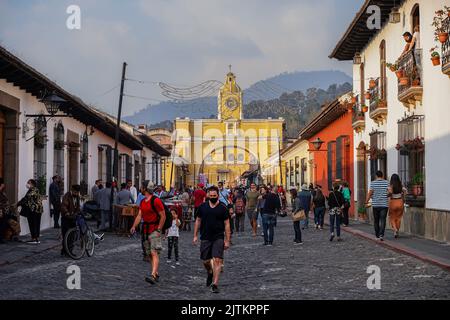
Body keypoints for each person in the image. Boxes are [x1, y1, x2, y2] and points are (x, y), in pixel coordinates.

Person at [193, 186, 231, 294]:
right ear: (208, 195)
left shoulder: (223, 208)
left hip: (218, 237)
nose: (213, 197)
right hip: (205, 237)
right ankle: (210, 271)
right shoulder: (202, 207)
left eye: (215, 196)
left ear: (218, 195)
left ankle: (215, 284)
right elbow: (198, 220)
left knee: (217, 260)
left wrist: (227, 240)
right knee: (205, 260)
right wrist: (195, 235)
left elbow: (227, 224)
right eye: (211, 196)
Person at [130, 186, 167, 285]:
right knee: (149, 254)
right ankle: (156, 273)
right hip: (145, 230)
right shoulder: (143, 202)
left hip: (154, 229)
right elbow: (139, 215)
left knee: (154, 252)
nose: (140, 189)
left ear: (145, 189)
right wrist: (134, 226)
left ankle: (153, 275)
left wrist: (159, 229)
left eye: (141, 187)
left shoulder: (156, 201)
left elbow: (163, 215)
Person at [17, 179, 43, 244]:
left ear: (32, 184)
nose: (27, 184)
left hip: (34, 210)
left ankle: (34, 238)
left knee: (33, 224)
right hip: (37, 210)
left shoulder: (33, 190)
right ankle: (35, 238)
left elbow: (26, 198)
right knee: (36, 224)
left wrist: (17, 204)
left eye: (28, 183)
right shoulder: (34, 190)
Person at [366, 171, 390, 241]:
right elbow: (390, 191)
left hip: (376, 205)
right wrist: (387, 195)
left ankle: (377, 235)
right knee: (383, 220)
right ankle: (381, 235)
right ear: (382, 176)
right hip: (384, 205)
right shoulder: (386, 182)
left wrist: (366, 202)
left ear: (376, 176)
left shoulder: (373, 183)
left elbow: (370, 193)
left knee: (376, 220)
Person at [60, 185, 81, 256]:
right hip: (66, 218)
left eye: (78, 192)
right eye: (75, 192)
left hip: (73, 218)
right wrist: (66, 212)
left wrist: (78, 212)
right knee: (66, 235)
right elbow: (63, 205)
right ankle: (66, 251)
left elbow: (78, 206)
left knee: (72, 236)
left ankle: (67, 251)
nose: (77, 193)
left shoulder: (77, 196)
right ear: (72, 190)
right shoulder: (67, 195)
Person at [388, 174, 407, 239]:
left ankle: (395, 229)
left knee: (392, 217)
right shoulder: (400, 186)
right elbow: (405, 191)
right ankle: (397, 231)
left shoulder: (391, 186)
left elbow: (390, 193)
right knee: (398, 218)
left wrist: (388, 194)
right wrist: (403, 197)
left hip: (393, 202)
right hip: (400, 202)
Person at [0, 178, 10, 244]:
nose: (4, 185)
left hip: (5, 211)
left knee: (3, 225)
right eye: (3, 184)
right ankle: (0, 238)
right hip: (1, 211)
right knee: (1, 225)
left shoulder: (2, 192)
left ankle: (2, 238)